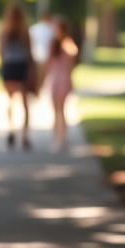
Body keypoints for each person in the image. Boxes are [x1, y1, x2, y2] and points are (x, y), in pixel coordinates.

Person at [0, 2, 34, 150]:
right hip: (21, 66)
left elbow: (0, 52)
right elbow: (29, 52)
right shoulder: (24, 31)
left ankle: (11, 129)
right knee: (25, 103)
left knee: (10, 101)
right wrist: (32, 70)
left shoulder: (4, 31)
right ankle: (25, 135)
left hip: (9, 67)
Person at [43, 18, 79, 150]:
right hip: (54, 79)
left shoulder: (67, 43)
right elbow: (47, 63)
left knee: (61, 110)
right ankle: (56, 137)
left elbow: (73, 55)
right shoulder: (52, 44)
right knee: (55, 111)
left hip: (63, 79)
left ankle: (62, 137)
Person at [28, 12, 55, 94]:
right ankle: (40, 89)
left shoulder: (33, 29)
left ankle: (37, 89)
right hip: (46, 55)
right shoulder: (50, 30)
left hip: (35, 54)